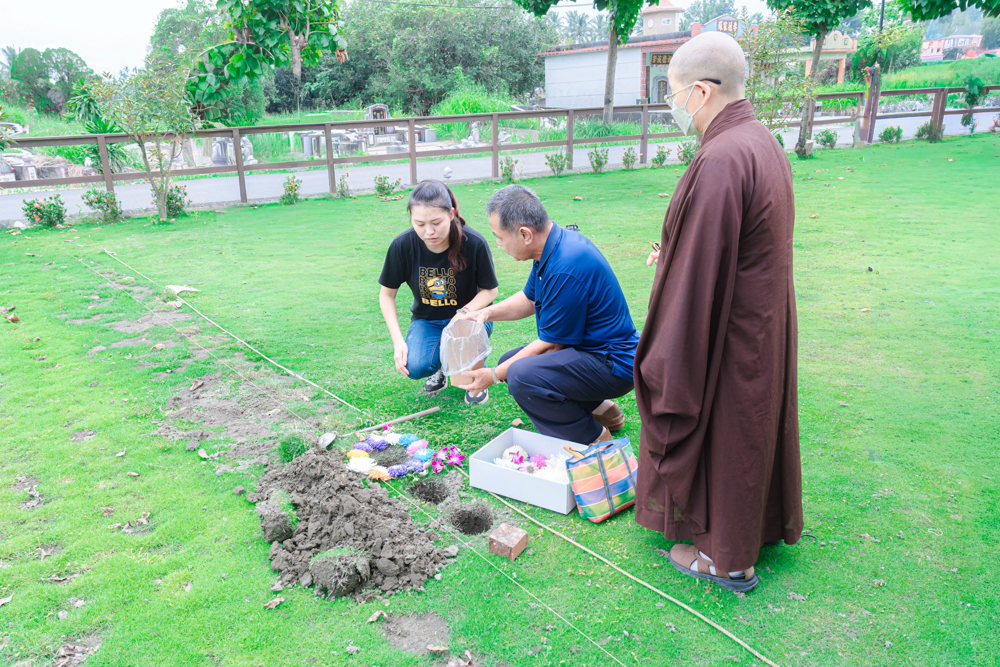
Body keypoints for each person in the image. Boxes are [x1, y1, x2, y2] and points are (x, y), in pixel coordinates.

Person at [633, 31, 803, 593]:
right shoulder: (760, 141)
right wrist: (675, 254)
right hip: (761, 319)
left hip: (733, 327)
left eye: (674, 93)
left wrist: (664, 353)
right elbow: (723, 242)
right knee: (749, 426)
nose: (672, 105)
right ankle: (747, 533)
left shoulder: (723, 157)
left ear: (701, 92)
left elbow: (702, 272)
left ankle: (728, 559)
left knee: (731, 428)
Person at [457, 185, 639, 444]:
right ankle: (603, 411)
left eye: (499, 237)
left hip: (613, 364)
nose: (498, 244)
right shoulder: (553, 246)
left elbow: (552, 346)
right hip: (595, 353)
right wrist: (485, 313)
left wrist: (494, 375)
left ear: (524, 234)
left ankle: (595, 440)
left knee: (520, 374)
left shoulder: (565, 267)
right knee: (513, 361)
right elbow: (529, 298)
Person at [378, 180, 499, 405]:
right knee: (415, 366)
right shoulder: (402, 246)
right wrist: (398, 342)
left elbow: (489, 291)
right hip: (428, 320)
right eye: (420, 223)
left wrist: (464, 312)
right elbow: (387, 295)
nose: (429, 231)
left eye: (436, 222)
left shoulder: (473, 243)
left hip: (470, 318)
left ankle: (475, 379)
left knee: (464, 333)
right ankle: (442, 367)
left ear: (451, 214)